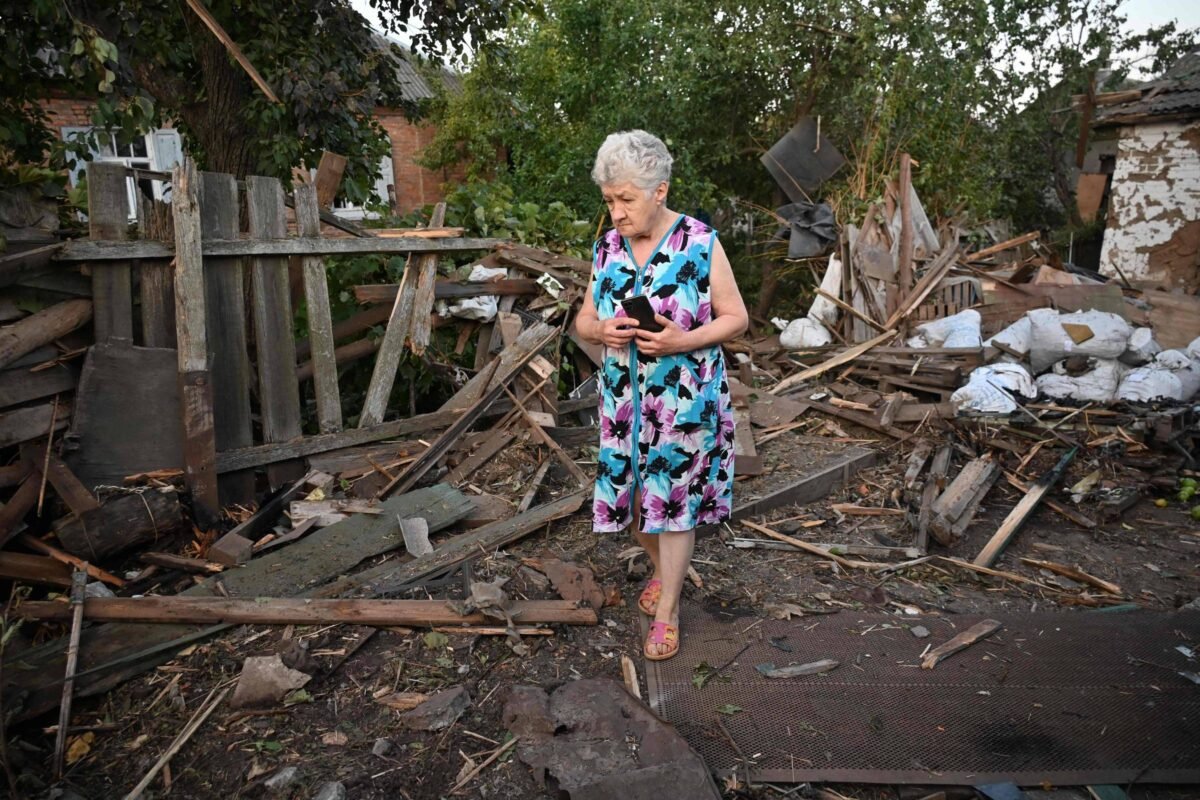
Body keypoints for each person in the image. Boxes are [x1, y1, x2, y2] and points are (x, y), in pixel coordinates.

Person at [575, 130, 748, 661]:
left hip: (684, 403)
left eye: (625, 199)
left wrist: (683, 339)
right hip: (623, 405)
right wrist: (601, 330)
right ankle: (663, 573)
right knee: (630, 507)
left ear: (659, 190)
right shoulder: (607, 246)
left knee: (672, 508)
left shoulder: (700, 242)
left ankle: (668, 609)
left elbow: (737, 318)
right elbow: (583, 318)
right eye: (609, 200)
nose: (617, 212)